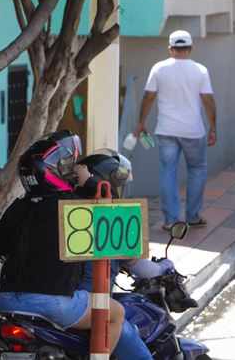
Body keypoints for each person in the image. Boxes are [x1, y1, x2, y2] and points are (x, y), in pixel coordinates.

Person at [0, 131, 126, 355]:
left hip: (6, 301)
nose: (69, 171)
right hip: (52, 304)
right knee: (117, 313)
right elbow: (113, 222)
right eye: (64, 166)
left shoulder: (16, 207)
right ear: (52, 172)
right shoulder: (74, 208)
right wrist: (91, 183)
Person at [74, 150, 173, 360]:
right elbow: (142, 268)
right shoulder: (110, 218)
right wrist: (165, 266)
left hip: (69, 303)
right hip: (95, 308)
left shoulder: (69, 214)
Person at [135, 30, 217, 231]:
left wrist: (141, 123)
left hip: (166, 131)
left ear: (170, 49)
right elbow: (208, 102)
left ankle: (171, 220)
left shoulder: (159, 68)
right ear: (190, 48)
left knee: (168, 174)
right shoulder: (201, 70)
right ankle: (193, 216)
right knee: (196, 170)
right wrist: (213, 127)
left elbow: (148, 98)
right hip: (193, 131)